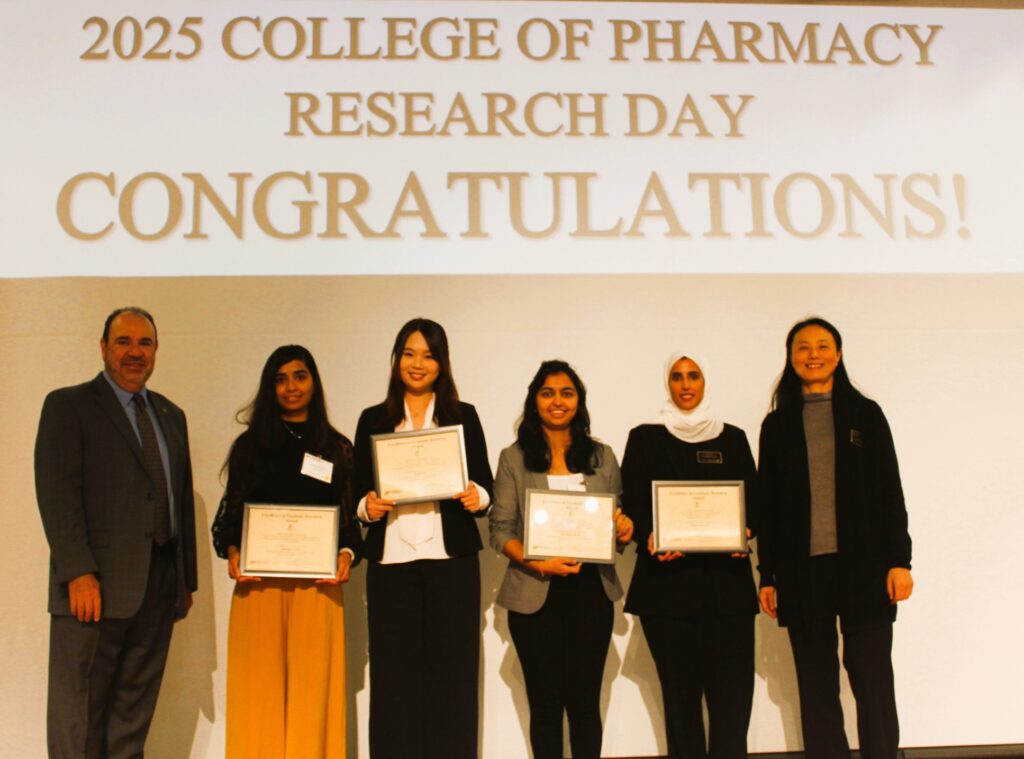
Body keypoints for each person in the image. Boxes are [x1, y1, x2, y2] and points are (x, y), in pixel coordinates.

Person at [35, 306, 197, 758]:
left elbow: (180, 499)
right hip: (94, 589)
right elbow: (57, 494)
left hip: (157, 589)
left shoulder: (170, 414)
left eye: (145, 343)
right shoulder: (69, 406)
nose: (134, 352)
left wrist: (184, 581)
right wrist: (77, 572)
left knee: (132, 718)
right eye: (124, 342)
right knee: (79, 716)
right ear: (104, 347)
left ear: (157, 351)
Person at [757, 317, 913, 759]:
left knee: (873, 679)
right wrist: (767, 575)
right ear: (791, 358)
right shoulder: (777, 425)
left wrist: (900, 561)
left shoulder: (866, 414)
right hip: (802, 572)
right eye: (803, 347)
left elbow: (890, 490)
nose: (813, 355)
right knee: (815, 683)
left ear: (838, 354)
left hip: (865, 568)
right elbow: (768, 507)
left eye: (823, 346)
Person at [211, 345, 363, 758]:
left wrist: (346, 555)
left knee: (313, 697)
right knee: (258, 697)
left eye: (299, 376)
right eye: (280, 379)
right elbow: (231, 518)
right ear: (269, 387)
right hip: (259, 586)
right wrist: (233, 551)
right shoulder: (249, 447)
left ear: (314, 383)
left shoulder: (337, 448)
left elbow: (349, 524)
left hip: (318, 588)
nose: (291, 387)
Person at [353, 318, 494, 759]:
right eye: (409, 354)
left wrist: (477, 496)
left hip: (451, 563)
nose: (418, 364)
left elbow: (485, 485)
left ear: (442, 363)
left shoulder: (463, 416)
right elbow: (357, 493)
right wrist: (366, 507)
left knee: (453, 676)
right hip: (391, 563)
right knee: (394, 678)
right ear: (397, 359)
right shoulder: (373, 419)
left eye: (429, 356)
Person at [490, 360, 634, 759]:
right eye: (548, 393)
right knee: (545, 707)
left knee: (585, 705)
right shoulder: (513, 458)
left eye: (567, 393)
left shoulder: (602, 456)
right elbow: (500, 529)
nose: (558, 401)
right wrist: (538, 563)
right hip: (535, 593)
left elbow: (615, 520)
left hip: (591, 594)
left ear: (579, 401)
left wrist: (623, 529)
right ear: (534, 400)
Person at [621, 351, 759, 759]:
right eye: (677, 376)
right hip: (667, 592)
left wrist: (746, 529)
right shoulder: (644, 437)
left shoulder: (732, 438)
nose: (685, 385)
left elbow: (755, 502)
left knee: (733, 703)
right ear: (667, 382)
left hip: (728, 591)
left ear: (705, 381)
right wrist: (649, 535)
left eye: (694, 376)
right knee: (681, 705)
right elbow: (632, 503)